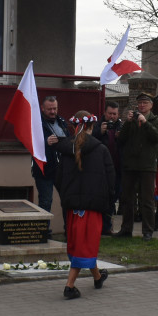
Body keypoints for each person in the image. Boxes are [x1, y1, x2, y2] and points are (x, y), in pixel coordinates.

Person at [54, 112, 114, 298]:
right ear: (91, 126)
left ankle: (97, 277)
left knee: (81, 244)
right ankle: (70, 286)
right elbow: (111, 179)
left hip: (73, 207)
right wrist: (109, 201)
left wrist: (67, 196)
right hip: (91, 207)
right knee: (84, 246)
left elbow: (58, 178)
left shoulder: (66, 150)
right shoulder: (101, 149)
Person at [116, 92, 158, 241]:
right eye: (140, 103)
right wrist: (128, 122)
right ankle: (126, 229)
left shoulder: (155, 121)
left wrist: (145, 123)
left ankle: (148, 230)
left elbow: (157, 137)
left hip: (147, 166)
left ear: (151, 105)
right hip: (130, 165)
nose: (142, 106)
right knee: (128, 199)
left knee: (147, 200)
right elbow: (121, 139)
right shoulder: (131, 121)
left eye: (145, 103)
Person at [32, 95, 70, 236]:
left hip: (62, 169)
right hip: (44, 169)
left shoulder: (61, 122)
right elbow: (30, 144)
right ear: (42, 108)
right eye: (49, 109)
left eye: (55, 108)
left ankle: (69, 231)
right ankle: (43, 232)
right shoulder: (36, 123)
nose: (53, 112)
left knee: (67, 200)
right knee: (45, 202)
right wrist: (45, 142)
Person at [93, 101, 123, 235]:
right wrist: (100, 132)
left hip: (117, 170)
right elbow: (90, 141)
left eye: (115, 114)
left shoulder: (121, 127)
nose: (112, 117)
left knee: (113, 199)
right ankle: (99, 226)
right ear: (104, 113)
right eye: (110, 113)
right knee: (100, 199)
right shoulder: (97, 126)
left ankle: (107, 226)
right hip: (101, 170)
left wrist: (121, 137)